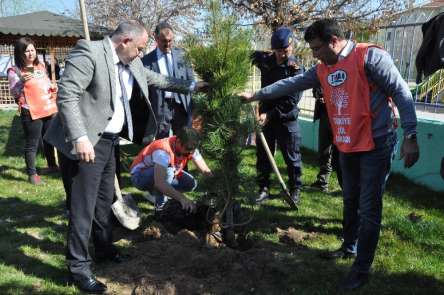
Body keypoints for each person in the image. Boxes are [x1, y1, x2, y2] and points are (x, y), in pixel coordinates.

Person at [240, 19, 420, 290]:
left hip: (376, 144)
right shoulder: (323, 68)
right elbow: (293, 83)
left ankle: (361, 270)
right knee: (350, 199)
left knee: (369, 208)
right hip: (347, 144)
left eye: (316, 48)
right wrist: (256, 95)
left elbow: (401, 92)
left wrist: (410, 135)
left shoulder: (369, 56)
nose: (313, 54)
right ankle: (349, 247)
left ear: (334, 41)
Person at [44, 20, 207, 294]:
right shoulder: (90, 52)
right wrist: (80, 137)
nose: (142, 54)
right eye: (141, 48)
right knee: (82, 206)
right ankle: (78, 268)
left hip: (109, 142)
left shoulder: (130, 61)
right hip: (85, 142)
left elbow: (159, 79)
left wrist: (193, 86)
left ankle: (104, 249)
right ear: (125, 41)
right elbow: (68, 95)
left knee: (105, 200)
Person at [252, 27, 304, 204]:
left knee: (292, 156)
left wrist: (269, 115)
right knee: (263, 155)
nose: (282, 55)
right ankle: (263, 188)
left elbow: (291, 100)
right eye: (279, 51)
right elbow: (244, 55)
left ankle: (294, 190)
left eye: (286, 51)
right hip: (264, 117)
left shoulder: (295, 69)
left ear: (292, 47)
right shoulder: (265, 60)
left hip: (286, 119)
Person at [7, 37, 58, 185]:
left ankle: (52, 165)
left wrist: (53, 87)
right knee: (32, 143)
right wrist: (22, 81)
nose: (30, 53)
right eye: (26, 51)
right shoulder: (15, 70)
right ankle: (32, 174)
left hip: (47, 107)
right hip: (30, 110)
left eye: (32, 50)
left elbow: (46, 83)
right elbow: (14, 92)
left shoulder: (41, 66)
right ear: (20, 53)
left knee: (49, 138)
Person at [130, 127, 212, 215]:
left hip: (162, 173)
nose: (191, 152)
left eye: (193, 149)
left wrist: (217, 185)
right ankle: (160, 208)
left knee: (191, 183)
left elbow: (205, 170)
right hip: (139, 177)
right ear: (178, 141)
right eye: (188, 148)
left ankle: (160, 194)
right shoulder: (163, 150)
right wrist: (182, 198)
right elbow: (160, 182)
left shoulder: (189, 147)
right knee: (168, 171)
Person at [142, 22, 195, 139]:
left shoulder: (183, 55)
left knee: (184, 140)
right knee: (162, 142)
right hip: (161, 108)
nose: (168, 44)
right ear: (155, 38)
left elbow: (191, 79)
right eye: (164, 41)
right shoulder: (146, 61)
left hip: (181, 106)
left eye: (170, 41)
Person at [310, 87, 342, 192]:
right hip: (325, 114)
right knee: (324, 149)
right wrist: (319, 95)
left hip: (341, 115)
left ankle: (346, 185)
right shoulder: (323, 72)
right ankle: (322, 181)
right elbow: (315, 88)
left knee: (340, 152)